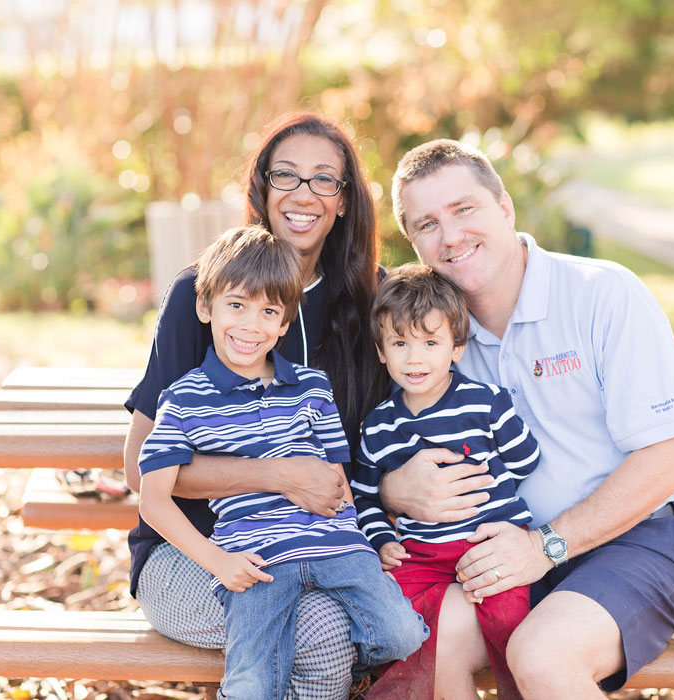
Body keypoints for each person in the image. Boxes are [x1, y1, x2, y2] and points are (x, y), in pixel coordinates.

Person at [379, 139, 674, 699]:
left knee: (542, 655)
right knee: (428, 643)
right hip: (501, 548)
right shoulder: (428, 339)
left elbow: (671, 459)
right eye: (428, 224)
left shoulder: (603, 294)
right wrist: (392, 489)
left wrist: (544, 548)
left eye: (465, 210)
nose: (451, 235)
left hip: (638, 538)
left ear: (504, 207)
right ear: (414, 244)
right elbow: (389, 456)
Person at [122, 112, 389, 700]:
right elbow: (137, 466)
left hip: (325, 550)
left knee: (345, 620)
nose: (304, 194)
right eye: (285, 176)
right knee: (321, 630)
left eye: (325, 180)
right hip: (194, 552)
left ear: (344, 201)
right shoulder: (206, 292)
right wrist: (275, 475)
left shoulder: (370, 300)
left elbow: (386, 447)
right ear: (262, 188)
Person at [137, 226, 427, 699]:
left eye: (268, 311)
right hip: (258, 561)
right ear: (205, 307)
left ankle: (353, 674)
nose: (251, 326)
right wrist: (218, 562)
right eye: (237, 305)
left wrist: (361, 540)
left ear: (284, 323)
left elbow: (338, 477)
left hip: (335, 550)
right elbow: (152, 499)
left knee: (403, 635)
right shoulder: (184, 400)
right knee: (253, 683)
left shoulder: (313, 388)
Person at [350, 263, 540, 700]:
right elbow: (364, 495)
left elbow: (526, 460)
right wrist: (382, 541)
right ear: (381, 351)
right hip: (422, 555)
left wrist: (493, 489)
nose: (414, 358)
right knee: (394, 621)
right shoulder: (378, 426)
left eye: (430, 343)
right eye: (400, 343)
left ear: (456, 348)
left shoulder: (486, 403)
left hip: (488, 543)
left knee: (510, 624)